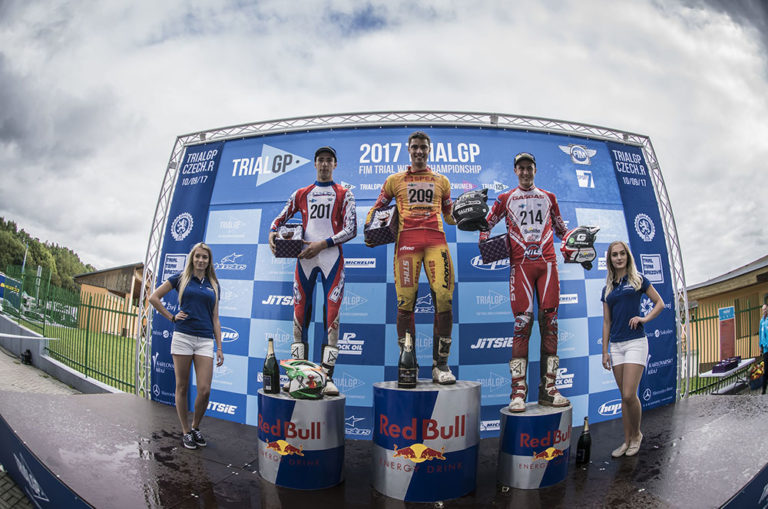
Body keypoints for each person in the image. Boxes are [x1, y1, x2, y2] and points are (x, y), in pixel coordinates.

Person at [479, 152, 570, 412]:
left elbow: (562, 230)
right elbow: (487, 224)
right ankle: (518, 392)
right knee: (521, 324)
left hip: (547, 265)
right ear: (515, 171)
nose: (525, 172)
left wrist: (576, 239)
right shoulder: (505, 198)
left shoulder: (549, 197)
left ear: (535, 170)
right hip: (520, 266)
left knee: (550, 322)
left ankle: (549, 389)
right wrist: (483, 239)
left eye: (529, 167)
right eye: (521, 168)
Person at [366, 131, 457, 384]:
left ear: (429, 150)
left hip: (436, 242)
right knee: (405, 303)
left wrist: (468, 216)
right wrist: (370, 229)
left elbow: (449, 216)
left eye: (423, 147)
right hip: (407, 244)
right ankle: (409, 364)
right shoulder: (394, 180)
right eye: (415, 147)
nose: (419, 151)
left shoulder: (442, 180)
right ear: (409, 150)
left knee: (444, 299)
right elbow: (377, 208)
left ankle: (441, 365)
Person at [268, 146, 357, 396]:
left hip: (331, 258)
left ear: (335, 165)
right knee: (299, 316)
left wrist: (322, 244)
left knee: (332, 318)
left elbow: (351, 229)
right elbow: (278, 220)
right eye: (321, 160)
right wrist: (272, 232)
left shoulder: (345, 193)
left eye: (329, 160)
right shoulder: (301, 194)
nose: (325, 164)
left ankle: (327, 377)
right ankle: (299, 375)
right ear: (315, 164)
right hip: (305, 260)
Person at [149, 242, 223, 450]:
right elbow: (153, 298)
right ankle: (185, 431)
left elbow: (215, 318)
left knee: (204, 390)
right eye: (197, 256)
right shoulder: (181, 278)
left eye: (205, 257)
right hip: (183, 337)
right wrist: (172, 317)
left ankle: (195, 427)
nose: (201, 260)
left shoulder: (214, 284)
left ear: (209, 261)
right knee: (181, 386)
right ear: (192, 258)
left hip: (205, 340)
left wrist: (219, 347)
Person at [601, 240, 664, 457]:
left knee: (629, 394)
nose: (619, 258)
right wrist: (605, 351)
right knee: (623, 397)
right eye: (614, 255)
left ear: (627, 256)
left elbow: (659, 303)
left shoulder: (638, 280)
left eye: (622, 254)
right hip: (616, 346)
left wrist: (644, 318)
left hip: (635, 342)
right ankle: (627, 441)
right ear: (610, 259)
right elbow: (606, 322)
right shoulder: (608, 288)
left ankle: (637, 435)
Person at [760, 304, 768, 394]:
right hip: (766, 349)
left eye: (765, 309)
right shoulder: (762, 321)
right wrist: (760, 346)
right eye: (763, 309)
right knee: (766, 370)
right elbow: (761, 335)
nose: (764, 310)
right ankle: (764, 389)